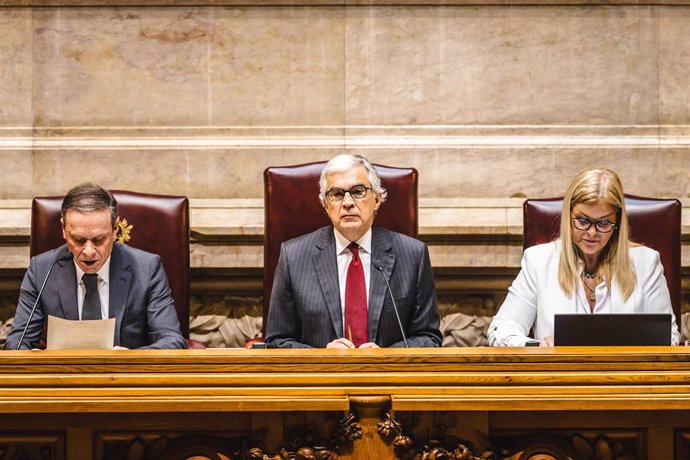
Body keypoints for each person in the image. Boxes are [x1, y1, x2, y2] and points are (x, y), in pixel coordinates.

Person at [265, 154, 442, 348]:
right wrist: (322, 357)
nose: (348, 202)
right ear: (326, 204)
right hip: (321, 377)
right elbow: (277, 340)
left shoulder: (413, 255)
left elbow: (428, 337)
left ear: (376, 199)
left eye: (358, 191)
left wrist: (385, 357)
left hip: (387, 376)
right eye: (337, 194)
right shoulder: (294, 257)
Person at [489, 169, 680, 347]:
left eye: (603, 223)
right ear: (568, 217)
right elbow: (501, 329)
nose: (591, 232)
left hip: (626, 378)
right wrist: (537, 347)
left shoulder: (646, 263)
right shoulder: (539, 261)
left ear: (617, 224)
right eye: (582, 220)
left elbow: (669, 337)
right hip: (558, 377)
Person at [5, 183, 186, 350]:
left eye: (99, 240)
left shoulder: (146, 268)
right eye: (79, 240)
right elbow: (17, 343)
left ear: (115, 230)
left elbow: (172, 340)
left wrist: (128, 360)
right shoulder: (42, 270)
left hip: (126, 380)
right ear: (63, 230)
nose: (89, 251)